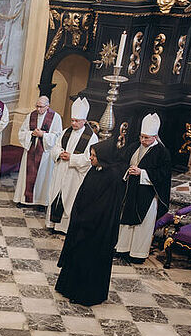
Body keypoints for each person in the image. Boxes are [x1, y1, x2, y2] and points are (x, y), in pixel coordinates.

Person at [55, 141, 127, 306]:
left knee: (88, 260)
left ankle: (84, 295)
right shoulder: (96, 170)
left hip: (97, 228)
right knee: (77, 255)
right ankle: (68, 288)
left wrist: (85, 219)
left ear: (103, 156)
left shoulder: (113, 176)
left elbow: (104, 206)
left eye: (94, 156)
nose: (91, 158)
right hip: (83, 223)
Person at [116, 113, 171, 263]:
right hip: (130, 190)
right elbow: (122, 162)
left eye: (146, 137)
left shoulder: (162, 152)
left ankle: (137, 254)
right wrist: (128, 170)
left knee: (142, 226)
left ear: (155, 136)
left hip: (147, 194)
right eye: (141, 136)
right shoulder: (134, 146)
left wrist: (142, 173)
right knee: (126, 222)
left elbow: (163, 175)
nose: (143, 140)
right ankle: (122, 249)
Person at [46, 97, 97, 234]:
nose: (73, 123)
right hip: (61, 170)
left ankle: (64, 227)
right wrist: (60, 153)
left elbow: (89, 159)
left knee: (70, 198)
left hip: (74, 174)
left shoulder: (91, 137)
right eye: (72, 120)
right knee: (56, 194)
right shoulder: (65, 132)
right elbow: (55, 147)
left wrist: (71, 158)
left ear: (84, 121)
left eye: (77, 121)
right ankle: (52, 224)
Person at [14, 96, 63, 207]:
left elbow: (58, 136)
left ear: (47, 106)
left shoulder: (55, 117)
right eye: (37, 106)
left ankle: (41, 202)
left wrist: (43, 135)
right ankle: (25, 200)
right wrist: (31, 133)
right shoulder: (31, 115)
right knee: (27, 174)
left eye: (41, 107)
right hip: (31, 149)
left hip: (45, 153)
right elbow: (22, 132)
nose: (38, 109)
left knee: (43, 177)